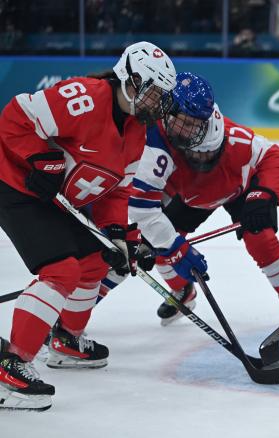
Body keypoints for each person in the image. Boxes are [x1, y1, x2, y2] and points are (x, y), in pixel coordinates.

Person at [0, 41, 177, 410]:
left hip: (55, 200)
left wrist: (117, 233)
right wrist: (39, 159)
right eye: (151, 92)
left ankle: (65, 338)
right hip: (14, 185)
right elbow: (14, 118)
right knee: (61, 271)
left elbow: (115, 190)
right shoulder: (83, 97)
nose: (154, 104)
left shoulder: (135, 131)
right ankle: (11, 364)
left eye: (160, 96)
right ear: (128, 80)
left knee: (98, 258)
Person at [100, 71, 279, 335]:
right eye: (179, 121)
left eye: (204, 149)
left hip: (240, 191)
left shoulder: (236, 139)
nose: (186, 134)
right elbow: (144, 206)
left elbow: (276, 158)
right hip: (191, 199)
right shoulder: (161, 141)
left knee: (262, 240)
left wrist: (262, 195)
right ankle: (182, 290)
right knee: (158, 244)